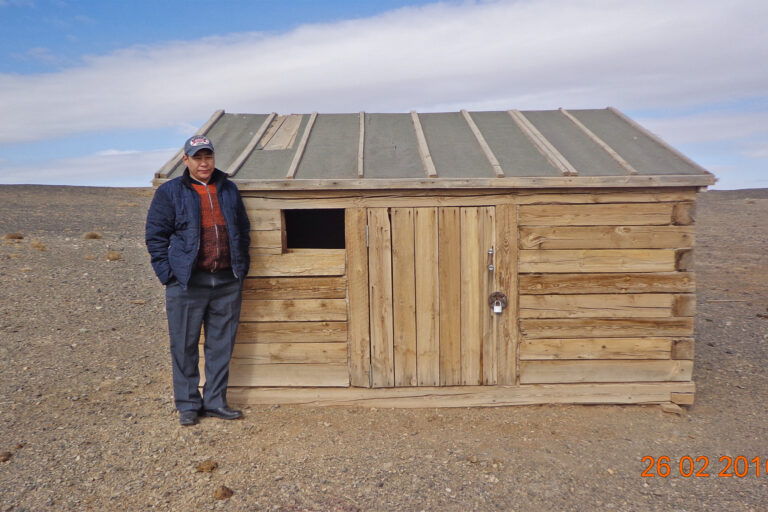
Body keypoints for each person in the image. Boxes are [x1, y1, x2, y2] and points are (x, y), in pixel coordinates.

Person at [146, 135, 251, 426]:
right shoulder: (170, 192)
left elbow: (243, 229)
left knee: (221, 345)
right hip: (187, 283)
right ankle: (188, 405)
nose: (204, 163)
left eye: (208, 157)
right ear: (186, 160)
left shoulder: (228, 189)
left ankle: (215, 401)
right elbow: (155, 237)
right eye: (197, 157)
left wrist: (241, 267)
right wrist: (168, 275)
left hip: (227, 281)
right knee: (183, 345)